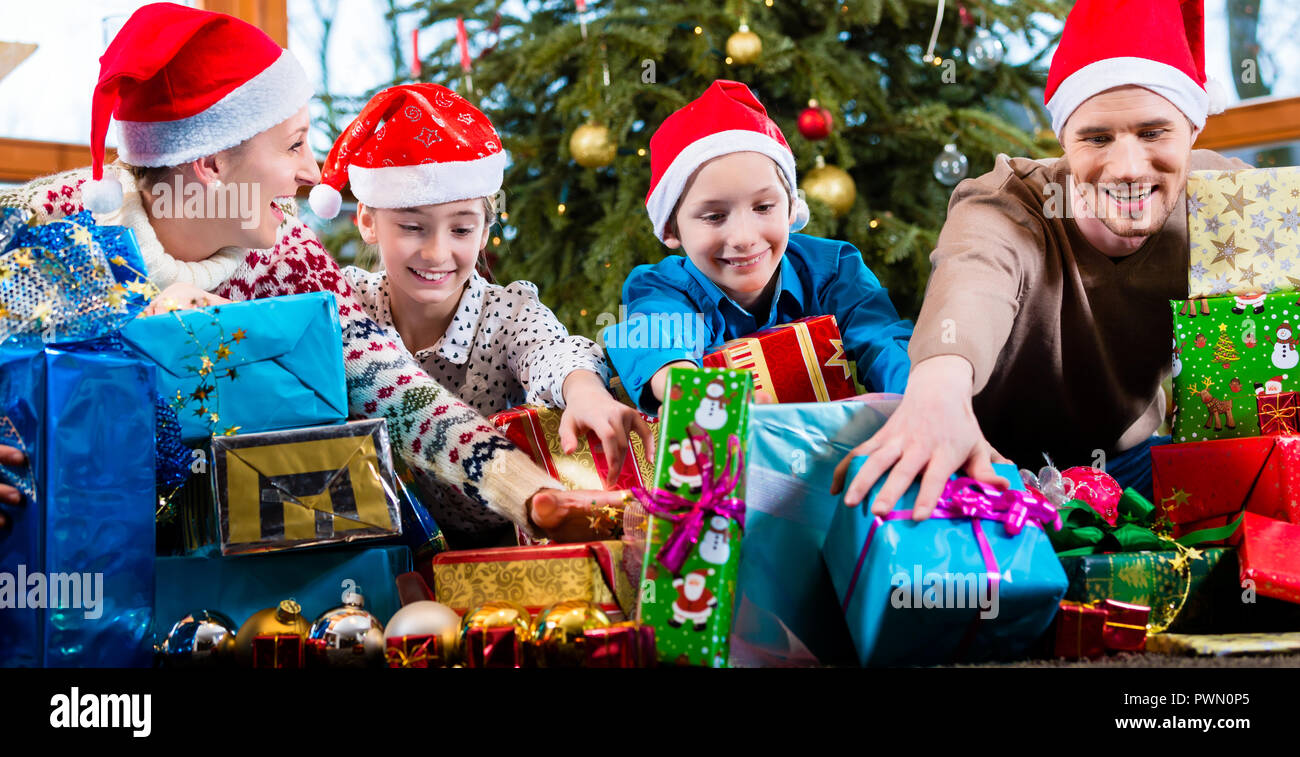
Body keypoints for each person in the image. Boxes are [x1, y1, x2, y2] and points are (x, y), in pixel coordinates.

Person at [0, 2, 619, 542]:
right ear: (212, 163)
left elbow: (393, 388)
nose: (313, 172)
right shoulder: (46, 226)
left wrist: (529, 493)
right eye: (295, 145)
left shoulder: (284, 251)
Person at [833, 0, 1248, 516]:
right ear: (1063, 142)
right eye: (1096, 138)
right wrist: (938, 389)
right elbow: (971, 277)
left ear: (1193, 129)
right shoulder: (1009, 202)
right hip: (994, 468)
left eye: (1153, 132)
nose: (1127, 167)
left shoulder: (1232, 200)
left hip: (1134, 462)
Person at [307, 83, 652, 543]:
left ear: (486, 230)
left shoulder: (505, 313)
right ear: (368, 221)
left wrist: (585, 392)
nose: (437, 252)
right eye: (412, 227)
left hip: (503, 544)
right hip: (380, 547)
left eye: (462, 229)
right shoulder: (345, 302)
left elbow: (551, 351)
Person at [604, 80, 912, 414]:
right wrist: (692, 390)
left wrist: (921, 401)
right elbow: (655, 337)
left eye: (763, 207)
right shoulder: (663, 288)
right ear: (670, 229)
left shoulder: (835, 269)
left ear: (792, 207)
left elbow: (884, 342)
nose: (744, 237)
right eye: (714, 216)